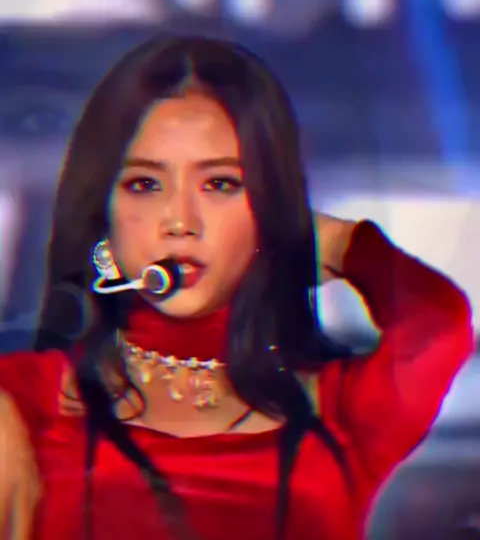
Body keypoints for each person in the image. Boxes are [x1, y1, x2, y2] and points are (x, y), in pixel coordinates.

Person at [0, 34, 474, 540]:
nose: (180, 222)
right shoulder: (27, 399)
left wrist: (342, 243)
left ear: (267, 207)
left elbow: (438, 328)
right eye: (145, 184)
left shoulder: (336, 409)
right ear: (103, 214)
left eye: (220, 184)